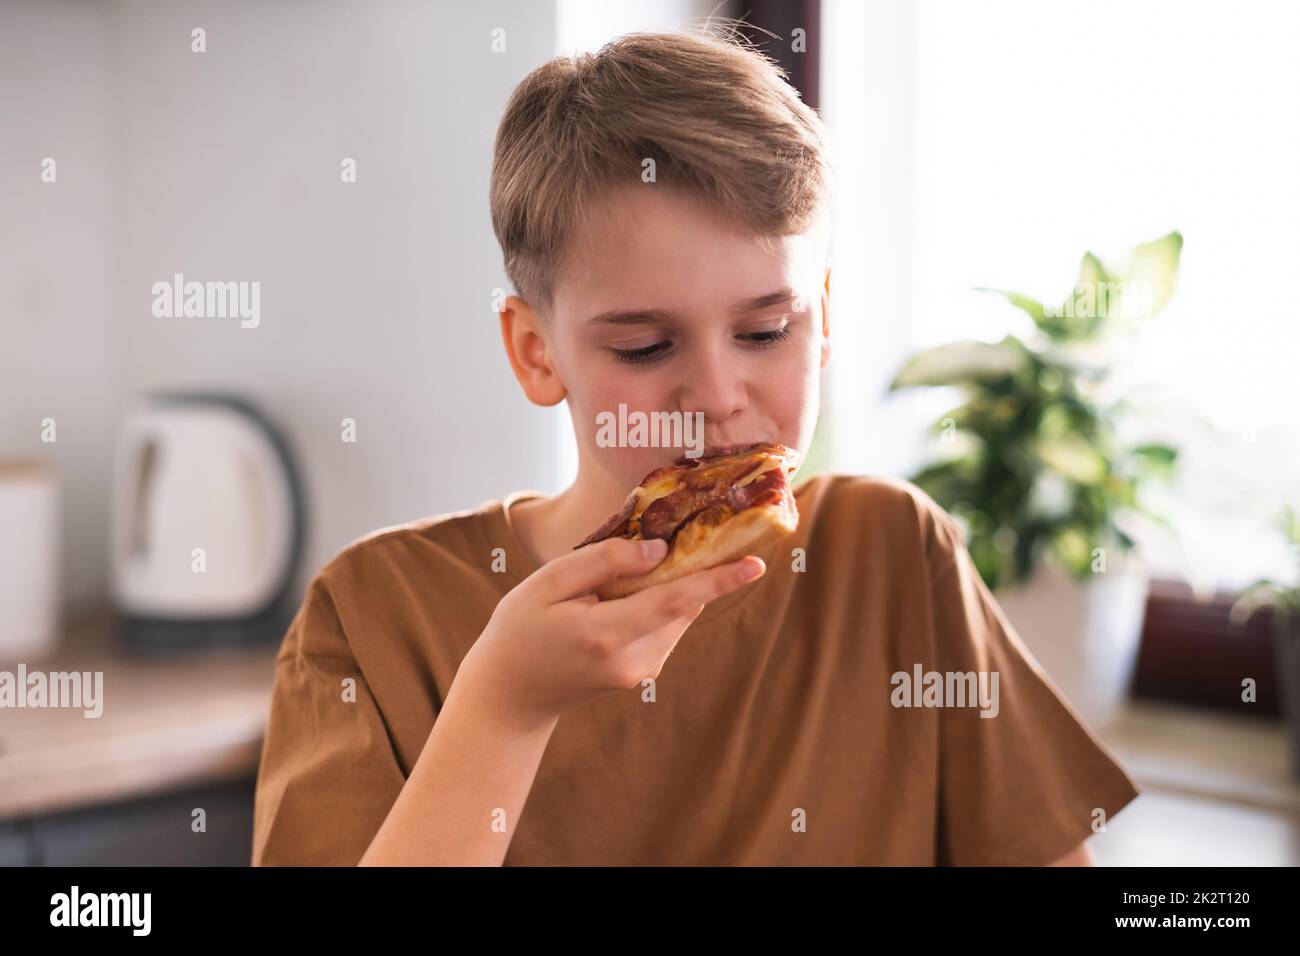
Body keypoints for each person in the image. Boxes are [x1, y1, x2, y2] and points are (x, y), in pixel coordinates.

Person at [251, 24, 1140, 866]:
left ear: (822, 320)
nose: (717, 398)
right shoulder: (370, 618)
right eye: (644, 347)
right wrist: (504, 709)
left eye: (765, 332)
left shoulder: (894, 554)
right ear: (535, 352)